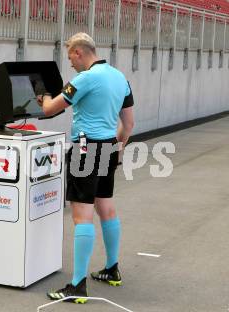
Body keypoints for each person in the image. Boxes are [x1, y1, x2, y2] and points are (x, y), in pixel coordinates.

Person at [37, 32, 135, 303]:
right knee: (107, 207)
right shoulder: (119, 77)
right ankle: (112, 268)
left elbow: (49, 109)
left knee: (82, 214)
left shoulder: (85, 78)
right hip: (107, 146)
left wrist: (43, 95)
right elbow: (128, 124)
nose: (70, 62)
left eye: (70, 56)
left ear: (79, 52)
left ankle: (77, 285)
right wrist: (119, 147)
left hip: (85, 148)